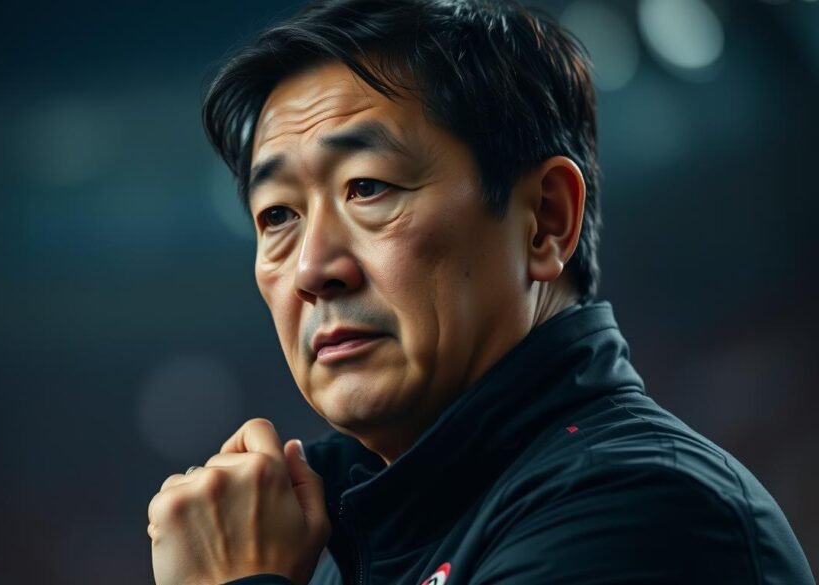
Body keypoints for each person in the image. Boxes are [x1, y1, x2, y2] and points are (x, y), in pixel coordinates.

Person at [147, 0, 815, 583]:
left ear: (546, 220)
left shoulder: (643, 510)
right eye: (278, 216)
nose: (312, 268)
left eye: (369, 186)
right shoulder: (327, 543)